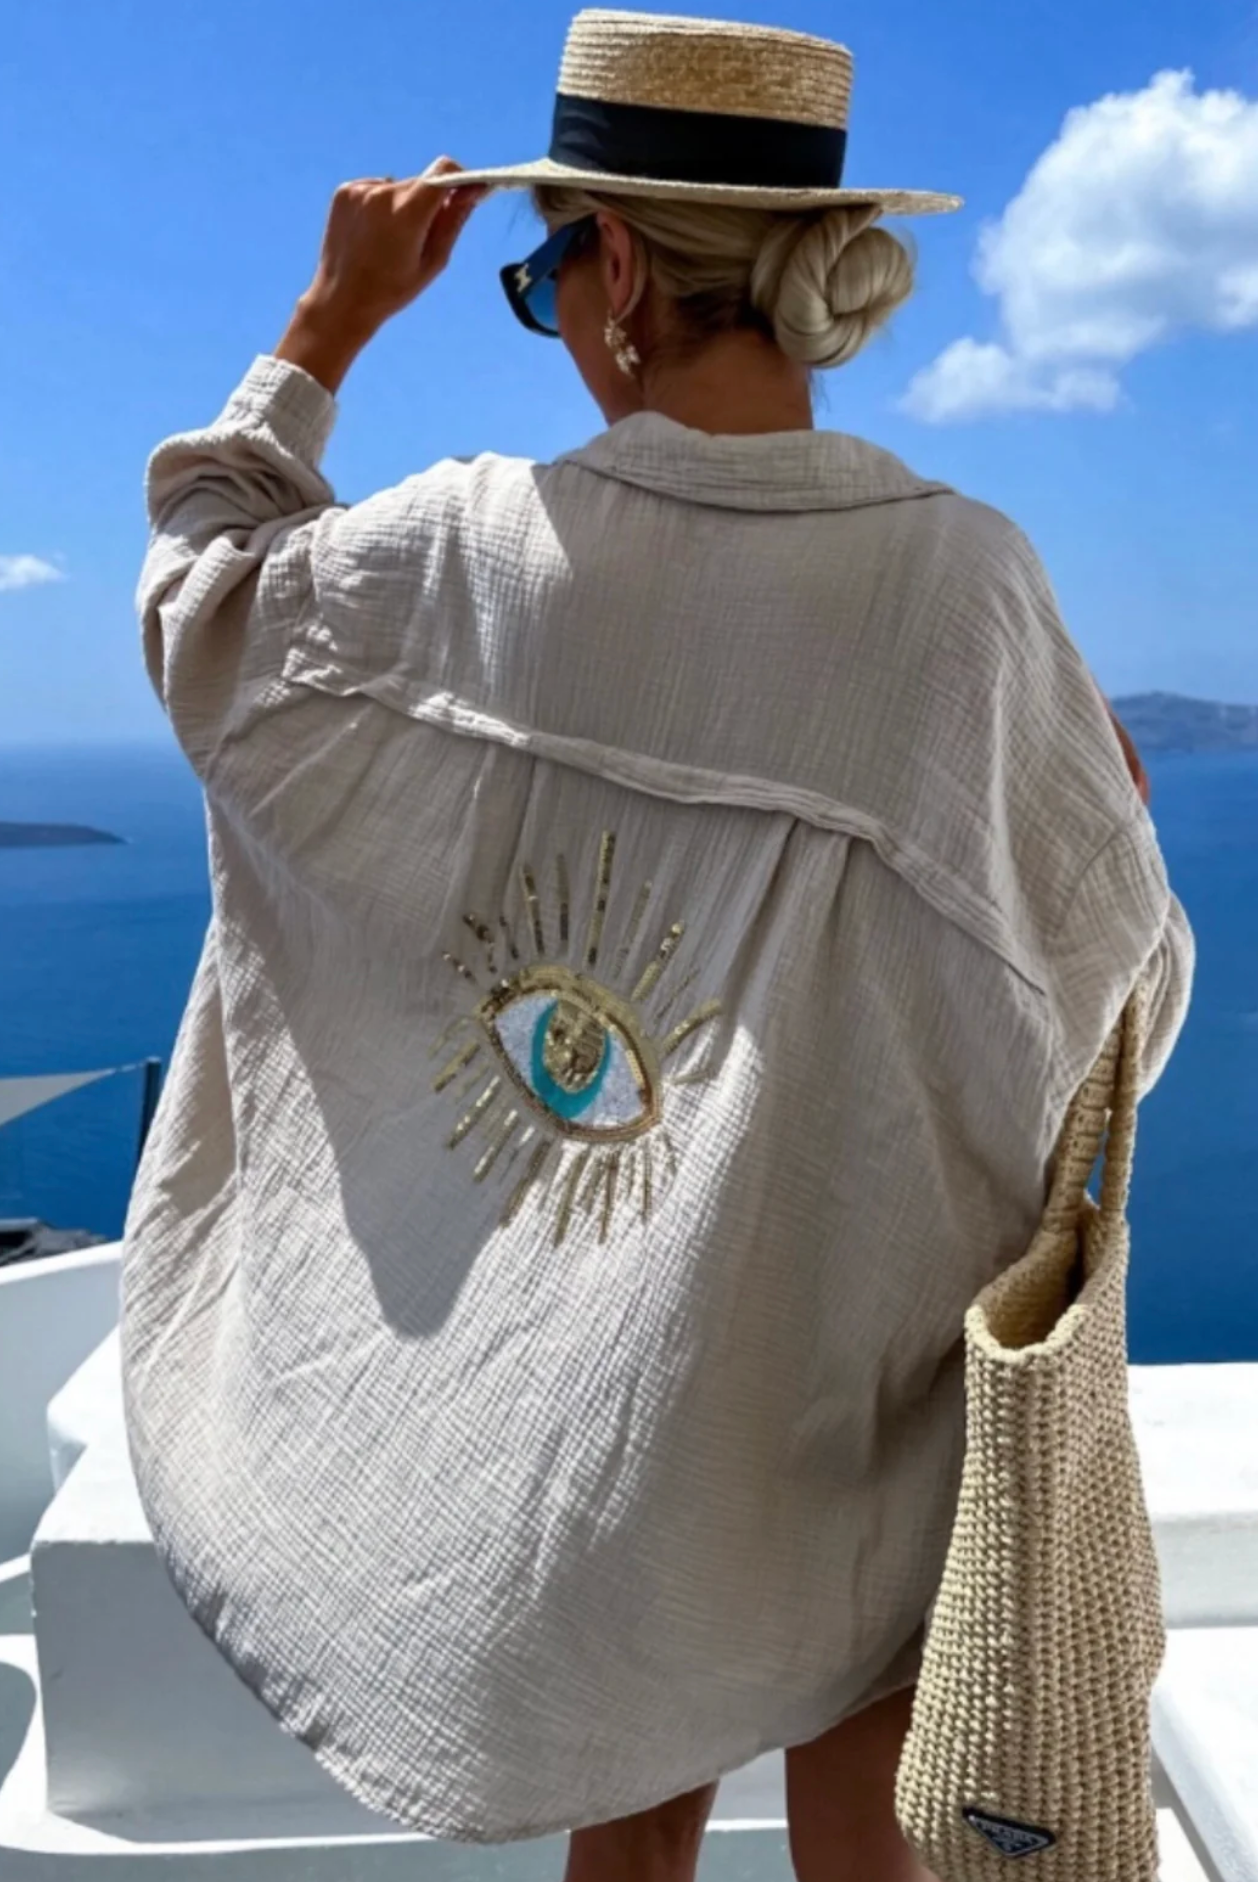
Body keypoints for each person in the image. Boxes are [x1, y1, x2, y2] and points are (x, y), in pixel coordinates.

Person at [121, 11, 1192, 1882]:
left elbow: (206, 606)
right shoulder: (966, 586)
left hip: (623, 1394)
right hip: (860, 1356)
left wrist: (329, 322)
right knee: (876, 1788)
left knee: (639, 1787)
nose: (549, 311)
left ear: (615, 267)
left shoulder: (468, 550)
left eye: (541, 273)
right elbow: (1126, 988)